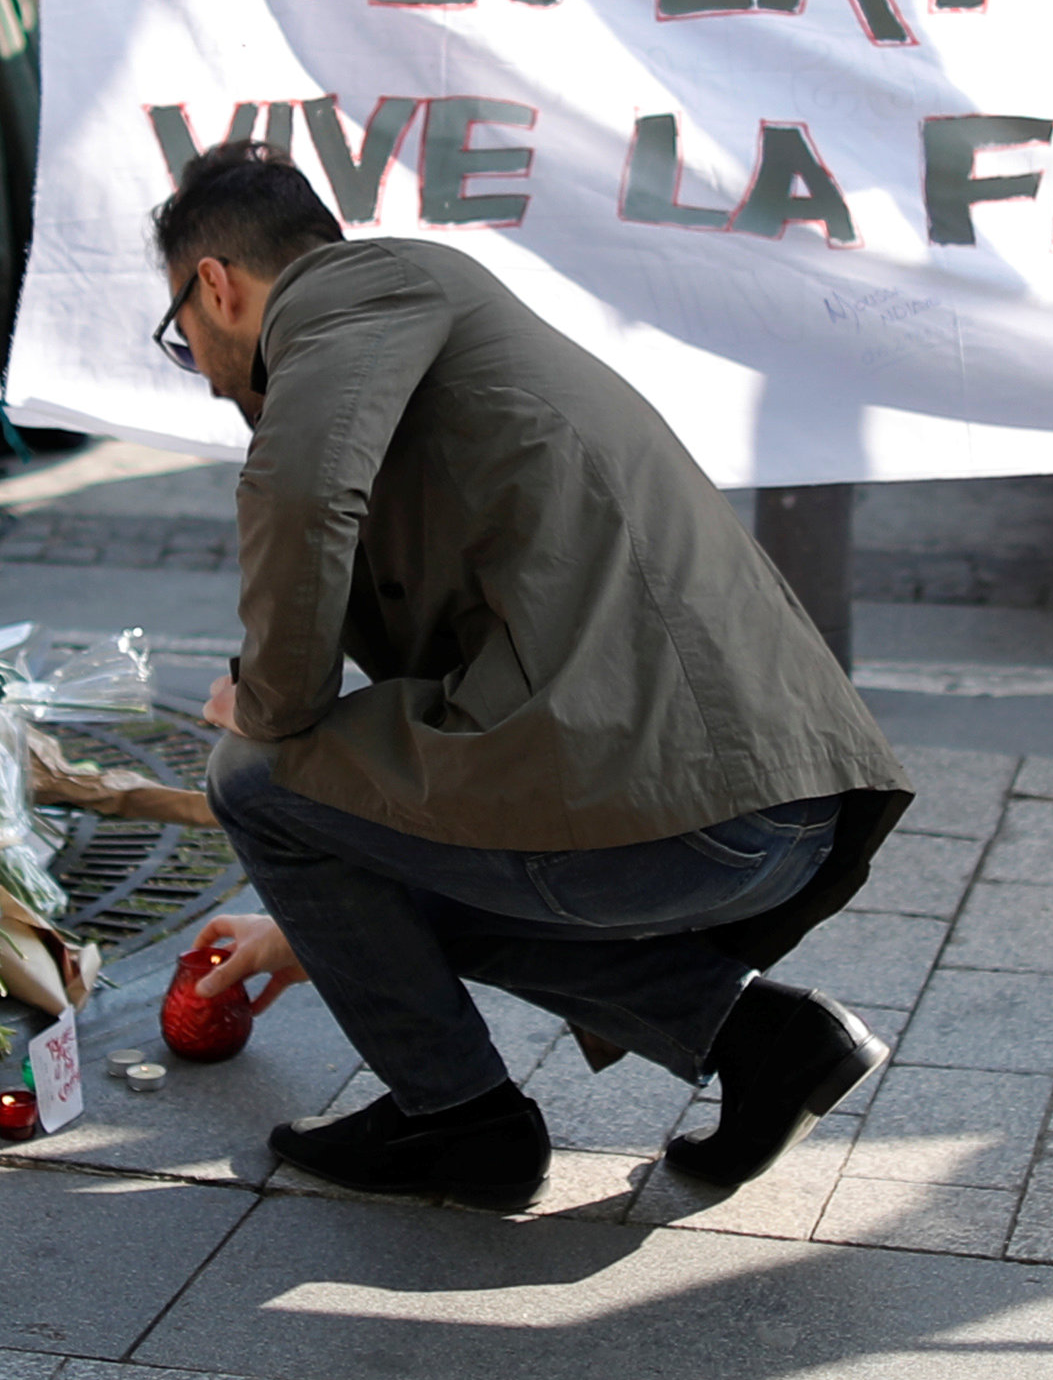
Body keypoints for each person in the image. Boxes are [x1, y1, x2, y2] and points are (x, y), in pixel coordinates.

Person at [152, 142, 915, 1209]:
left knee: (253, 777)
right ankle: (760, 1039)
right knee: (334, 812)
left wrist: (268, 706)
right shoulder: (412, 324)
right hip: (752, 806)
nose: (194, 355)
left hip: (686, 799)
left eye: (178, 332)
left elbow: (299, 494)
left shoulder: (352, 295)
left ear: (214, 287)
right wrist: (317, 924)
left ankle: (454, 1119)